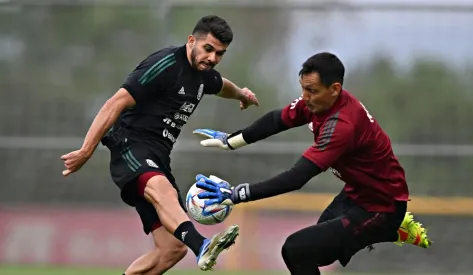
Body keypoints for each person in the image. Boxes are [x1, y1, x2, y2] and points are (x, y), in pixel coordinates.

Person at [192, 52, 431, 275]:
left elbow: (297, 177)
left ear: (335, 89)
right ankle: (391, 230)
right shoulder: (320, 102)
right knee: (314, 253)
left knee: (296, 249)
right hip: (356, 194)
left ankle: (390, 227)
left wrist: (237, 194)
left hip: (382, 208)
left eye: (312, 91)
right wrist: (232, 141)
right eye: (303, 89)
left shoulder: (342, 125)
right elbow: (278, 120)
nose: (305, 98)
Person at [60, 15, 260, 274]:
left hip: (158, 157)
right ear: (191, 41)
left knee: (172, 249)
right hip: (130, 146)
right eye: (207, 49)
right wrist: (87, 150)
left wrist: (241, 94)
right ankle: (202, 246)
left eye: (219, 54)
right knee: (162, 189)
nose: (212, 58)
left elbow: (222, 86)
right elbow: (115, 102)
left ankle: (192, 246)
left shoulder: (204, 75)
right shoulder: (165, 64)